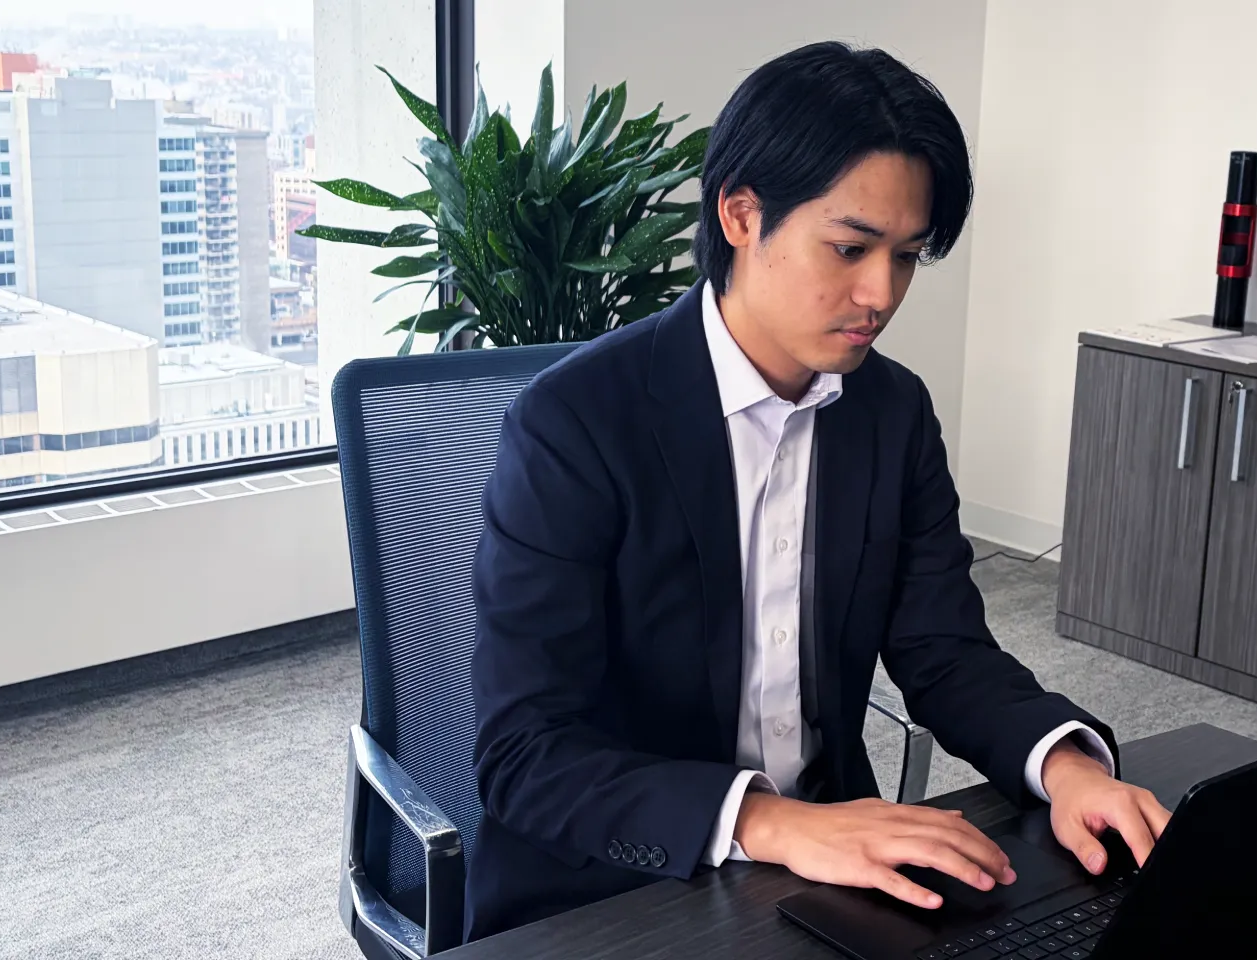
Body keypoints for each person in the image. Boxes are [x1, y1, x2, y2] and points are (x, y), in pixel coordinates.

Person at [464, 40, 1171, 941]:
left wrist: (1068, 767)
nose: (881, 293)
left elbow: (944, 651)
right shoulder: (575, 422)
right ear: (741, 214)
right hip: (612, 888)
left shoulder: (891, 412)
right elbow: (527, 754)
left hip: (825, 869)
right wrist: (774, 823)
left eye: (907, 256)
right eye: (849, 248)